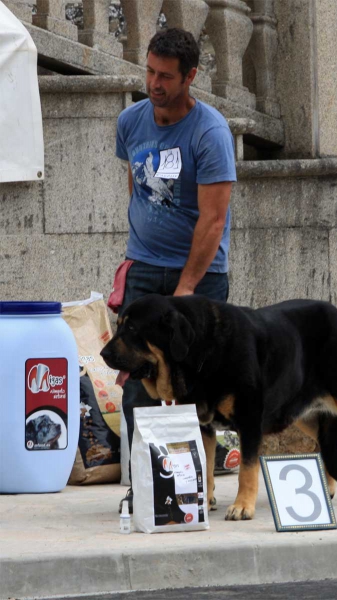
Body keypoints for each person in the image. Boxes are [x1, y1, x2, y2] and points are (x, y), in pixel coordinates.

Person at [114, 28, 237, 512]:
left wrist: (186, 287)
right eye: (149, 71)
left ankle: (192, 489)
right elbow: (137, 187)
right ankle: (147, 489)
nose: (154, 83)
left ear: (190, 77)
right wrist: (137, 252)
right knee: (136, 382)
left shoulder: (210, 133)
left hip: (200, 280)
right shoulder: (130, 121)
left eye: (165, 75)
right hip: (144, 270)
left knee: (197, 385)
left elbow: (213, 219)